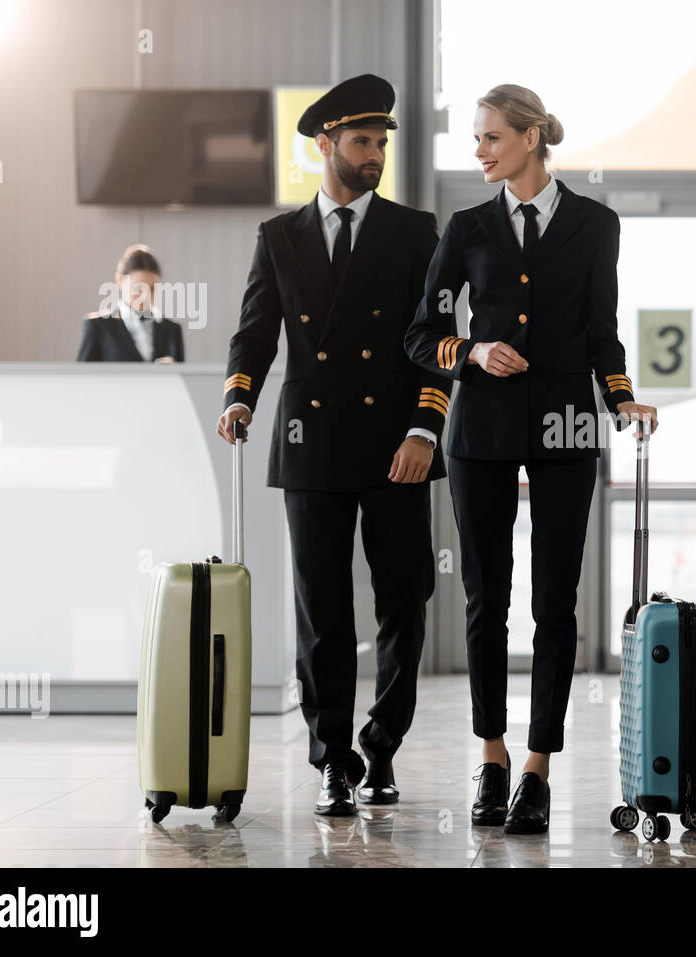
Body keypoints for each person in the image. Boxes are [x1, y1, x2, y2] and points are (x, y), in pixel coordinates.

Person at [405, 84, 657, 834]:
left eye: (489, 138)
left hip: (566, 430)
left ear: (530, 137)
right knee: (487, 602)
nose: (478, 150)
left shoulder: (594, 225)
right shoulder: (467, 227)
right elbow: (421, 336)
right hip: (479, 430)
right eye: (477, 138)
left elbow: (602, 335)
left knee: (556, 604)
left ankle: (539, 769)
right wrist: (473, 350)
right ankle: (492, 757)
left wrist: (622, 400)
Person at [215, 74, 449, 817]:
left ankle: (381, 748)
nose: (374, 154)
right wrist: (239, 395)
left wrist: (424, 426)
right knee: (323, 609)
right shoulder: (278, 237)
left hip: (396, 446)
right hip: (310, 439)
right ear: (325, 146)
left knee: (405, 599)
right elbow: (255, 331)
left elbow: (432, 341)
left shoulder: (415, 232)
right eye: (361, 142)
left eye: (381, 143)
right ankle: (333, 760)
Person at [76, 244, 184, 362]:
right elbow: (82, 378)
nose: (144, 296)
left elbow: (182, 378)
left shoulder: (172, 330)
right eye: (138, 288)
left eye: (151, 288)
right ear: (119, 281)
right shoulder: (98, 327)